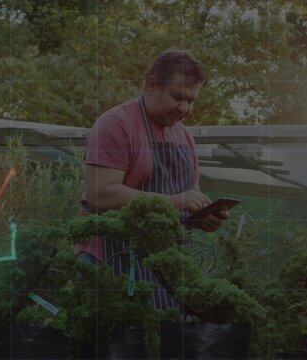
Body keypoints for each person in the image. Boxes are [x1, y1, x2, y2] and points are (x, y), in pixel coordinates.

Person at [76, 49, 230, 309]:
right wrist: (174, 201)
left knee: (163, 345)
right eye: (178, 97)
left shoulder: (185, 137)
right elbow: (99, 195)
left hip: (163, 266)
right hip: (112, 261)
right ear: (151, 85)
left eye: (192, 101)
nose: (185, 109)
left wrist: (203, 218)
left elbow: (187, 199)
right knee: (114, 347)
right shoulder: (116, 125)